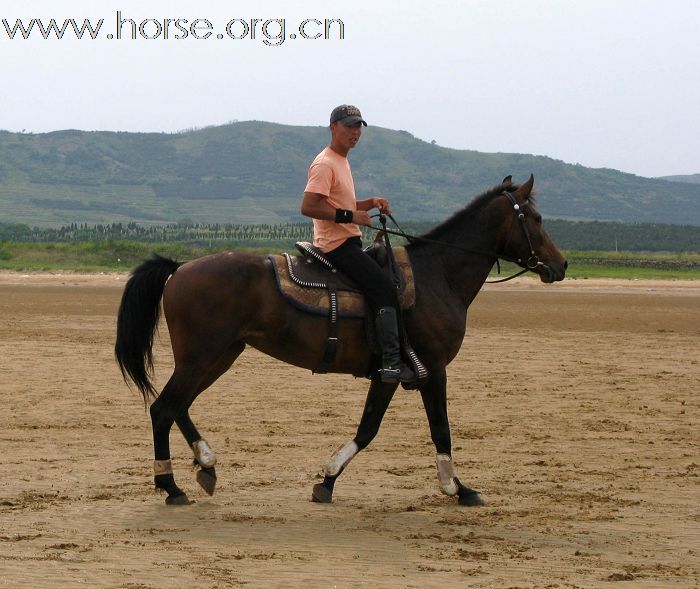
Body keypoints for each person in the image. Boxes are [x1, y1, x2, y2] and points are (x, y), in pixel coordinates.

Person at [300, 104, 416, 386]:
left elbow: (341, 202)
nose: (355, 132)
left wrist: (370, 203)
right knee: (384, 288)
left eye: (358, 127)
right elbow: (308, 206)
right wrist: (352, 216)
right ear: (333, 127)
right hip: (335, 245)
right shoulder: (325, 163)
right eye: (349, 126)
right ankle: (391, 361)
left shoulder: (341, 160)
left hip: (346, 240)